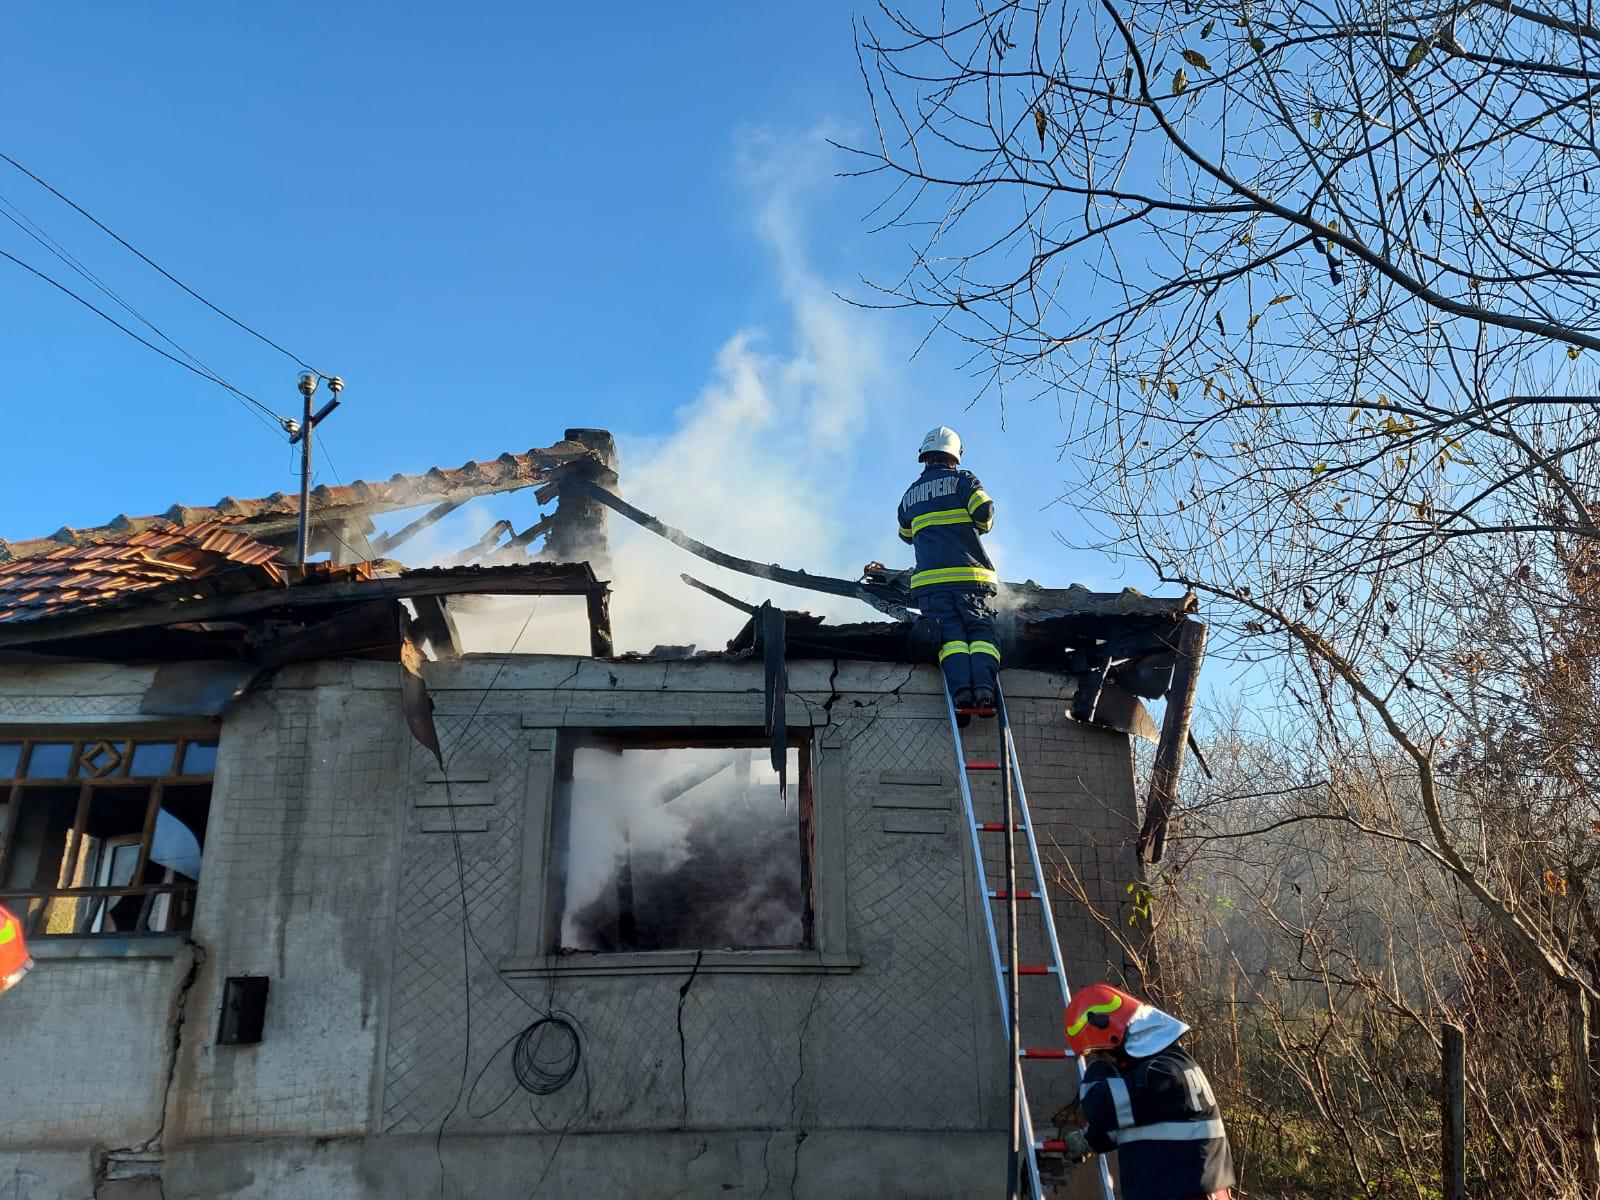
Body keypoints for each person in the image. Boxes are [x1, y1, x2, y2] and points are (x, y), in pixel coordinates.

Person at [1061, 983, 1235, 1200]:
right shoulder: (1171, 1066)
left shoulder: (1162, 1074)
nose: (1101, 1058)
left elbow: (1100, 1106)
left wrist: (1100, 1069)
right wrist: (1091, 1140)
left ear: (1115, 1039)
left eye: (1100, 1052)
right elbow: (1140, 1120)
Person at [896, 426, 1000, 710]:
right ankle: (984, 690)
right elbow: (985, 515)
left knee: (951, 640)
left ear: (925, 457)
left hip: (931, 588)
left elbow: (905, 535)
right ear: (955, 456)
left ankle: (962, 694)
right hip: (970, 582)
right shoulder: (963, 480)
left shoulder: (908, 496)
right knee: (980, 633)